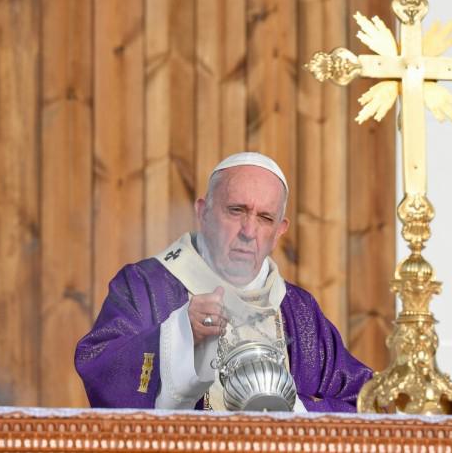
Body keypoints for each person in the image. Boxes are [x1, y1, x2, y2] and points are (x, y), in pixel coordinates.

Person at [75, 152, 372, 412]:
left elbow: (364, 400)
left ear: (280, 231)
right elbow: (99, 364)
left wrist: (293, 410)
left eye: (265, 218)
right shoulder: (146, 286)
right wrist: (179, 335)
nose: (249, 231)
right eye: (236, 210)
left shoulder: (299, 311)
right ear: (202, 212)